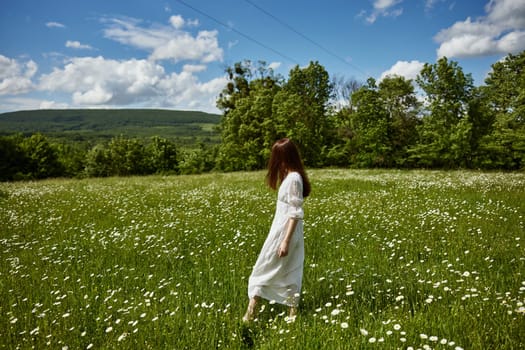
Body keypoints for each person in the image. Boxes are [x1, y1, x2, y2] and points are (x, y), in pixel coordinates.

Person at [243, 138, 311, 322]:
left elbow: (295, 213)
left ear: (283, 157)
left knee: (263, 271)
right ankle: (291, 316)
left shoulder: (294, 179)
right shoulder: (289, 177)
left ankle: (249, 317)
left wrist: (285, 241)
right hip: (282, 232)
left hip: (284, 234)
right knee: (283, 271)